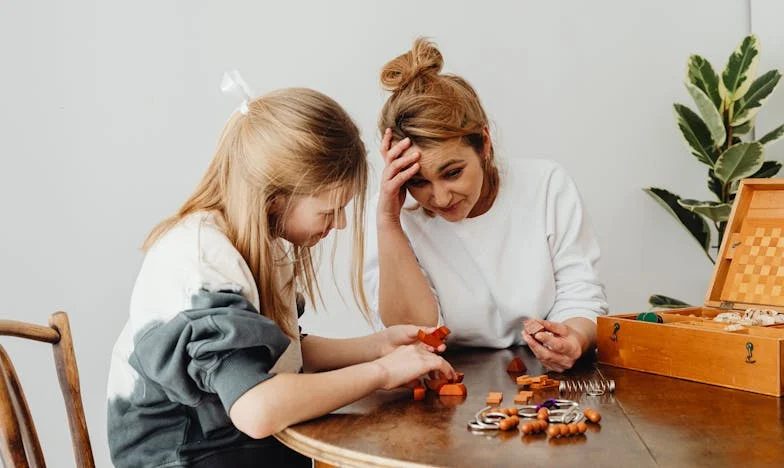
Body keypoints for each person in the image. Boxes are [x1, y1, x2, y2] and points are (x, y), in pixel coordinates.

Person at [107, 71, 455, 468]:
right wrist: (381, 373)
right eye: (330, 210)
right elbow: (256, 409)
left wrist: (377, 346)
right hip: (189, 458)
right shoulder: (204, 263)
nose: (340, 223)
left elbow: (281, 354)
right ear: (275, 197)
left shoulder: (257, 243)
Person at [364, 39, 608, 372]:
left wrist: (574, 337)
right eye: (418, 182)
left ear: (484, 144)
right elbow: (414, 333)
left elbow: (581, 293)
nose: (441, 198)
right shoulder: (393, 213)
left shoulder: (546, 185)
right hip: (445, 373)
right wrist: (388, 221)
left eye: (452, 173)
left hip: (541, 371)